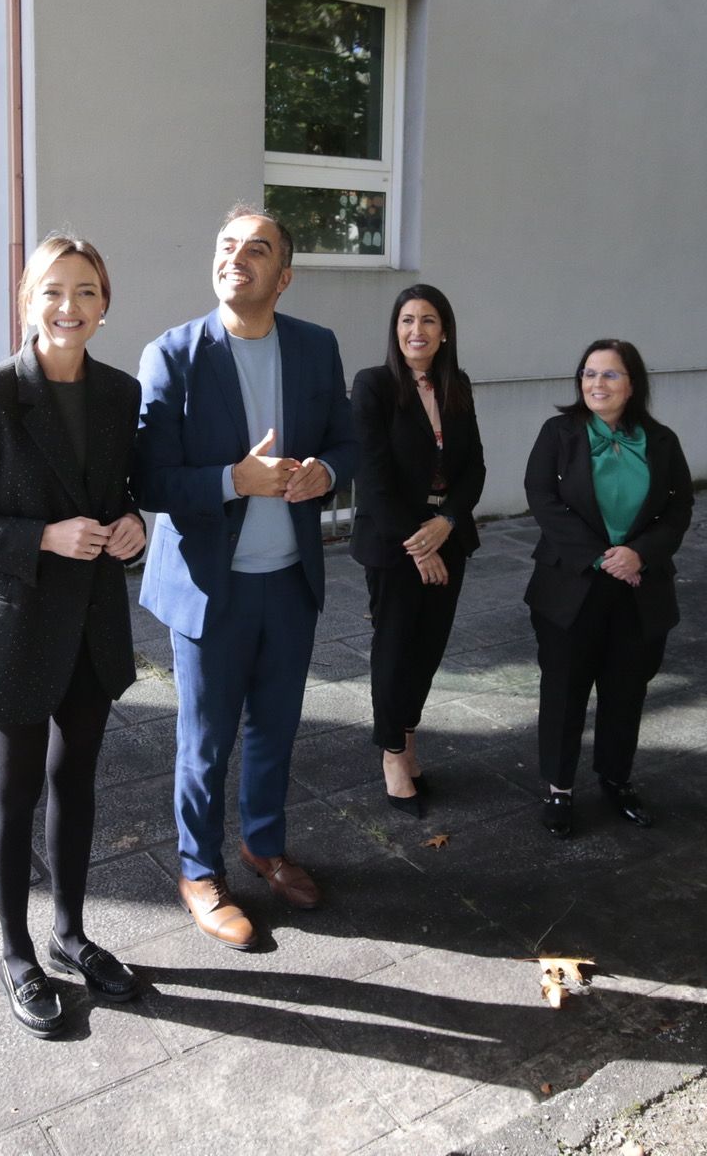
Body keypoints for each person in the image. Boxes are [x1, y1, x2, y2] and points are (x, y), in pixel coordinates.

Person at [0, 234, 147, 1038]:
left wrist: (133, 528)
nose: (69, 307)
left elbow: (124, 494)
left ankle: (72, 934)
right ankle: (16, 952)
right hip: (14, 626)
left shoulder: (121, 395)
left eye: (86, 291)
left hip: (90, 626)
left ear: (104, 303)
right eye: (53, 291)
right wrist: (42, 538)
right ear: (27, 301)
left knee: (78, 783)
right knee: (14, 793)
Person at [134, 204, 359, 947]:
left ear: (283, 276)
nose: (239, 257)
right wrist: (236, 479)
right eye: (228, 245)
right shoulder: (173, 353)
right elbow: (153, 480)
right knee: (206, 741)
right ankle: (199, 871)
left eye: (257, 249)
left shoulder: (315, 349)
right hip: (210, 587)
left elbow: (347, 442)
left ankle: (264, 845)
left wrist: (323, 471)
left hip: (289, 579)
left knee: (275, 730)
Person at [523, 338, 694, 839]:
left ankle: (616, 779)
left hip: (641, 587)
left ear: (632, 384)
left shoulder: (662, 441)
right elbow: (543, 498)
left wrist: (639, 552)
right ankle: (558, 787)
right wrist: (602, 556)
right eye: (589, 373)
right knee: (564, 690)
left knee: (625, 691)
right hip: (570, 586)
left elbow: (679, 508)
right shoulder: (559, 433)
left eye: (610, 375)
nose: (596, 383)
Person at [348, 284, 485, 816]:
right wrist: (418, 545)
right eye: (407, 320)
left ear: (444, 331)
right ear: (395, 329)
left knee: (429, 648)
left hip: (447, 536)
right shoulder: (375, 385)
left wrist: (447, 522)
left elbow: (474, 468)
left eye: (428, 320)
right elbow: (373, 476)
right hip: (394, 541)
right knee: (395, 648)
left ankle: (408, 735)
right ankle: (392, 754)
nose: (416, 331)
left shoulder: (457, 386)